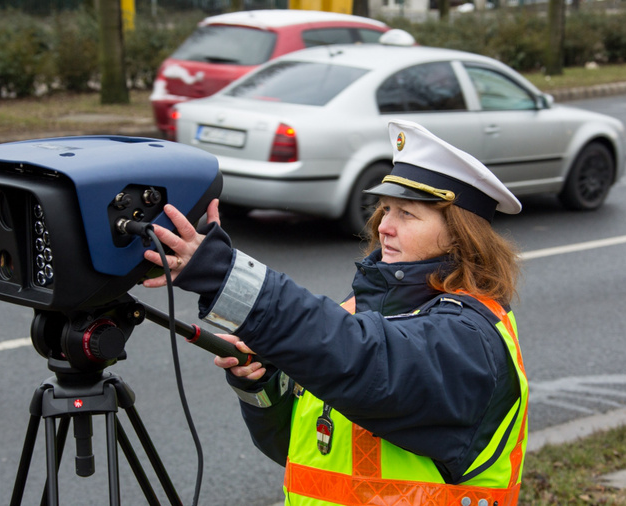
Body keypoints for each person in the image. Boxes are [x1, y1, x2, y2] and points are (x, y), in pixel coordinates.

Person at [142, 119, 529, 506]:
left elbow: (364, 360)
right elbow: (301, 451)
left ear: (460, 235)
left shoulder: (469, 338)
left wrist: (225, 276)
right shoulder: (361, 309)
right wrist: (264, 382)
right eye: (385, 209)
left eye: (407, 214)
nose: (384, 227)